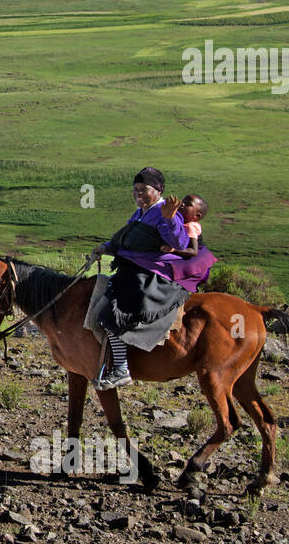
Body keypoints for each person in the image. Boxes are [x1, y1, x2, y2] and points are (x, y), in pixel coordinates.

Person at [89, 167, 194, 390]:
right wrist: (105, 248)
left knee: (112, 316)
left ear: (158, 190)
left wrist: (170, 219)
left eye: (144, 189)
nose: (138, 193)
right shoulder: (139, 214)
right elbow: (126, 241)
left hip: (151, 275)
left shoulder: (164, 212)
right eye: (135, 189)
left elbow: (179, 243)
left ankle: (121, 370)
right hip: (131, 270)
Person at [160, 194, 208, 258]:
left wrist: (173, 250)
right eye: (183, 201)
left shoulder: (190, 227)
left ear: (196, 216)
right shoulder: (179, 221)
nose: (182, 204)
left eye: (188, 204)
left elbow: (194, 251)